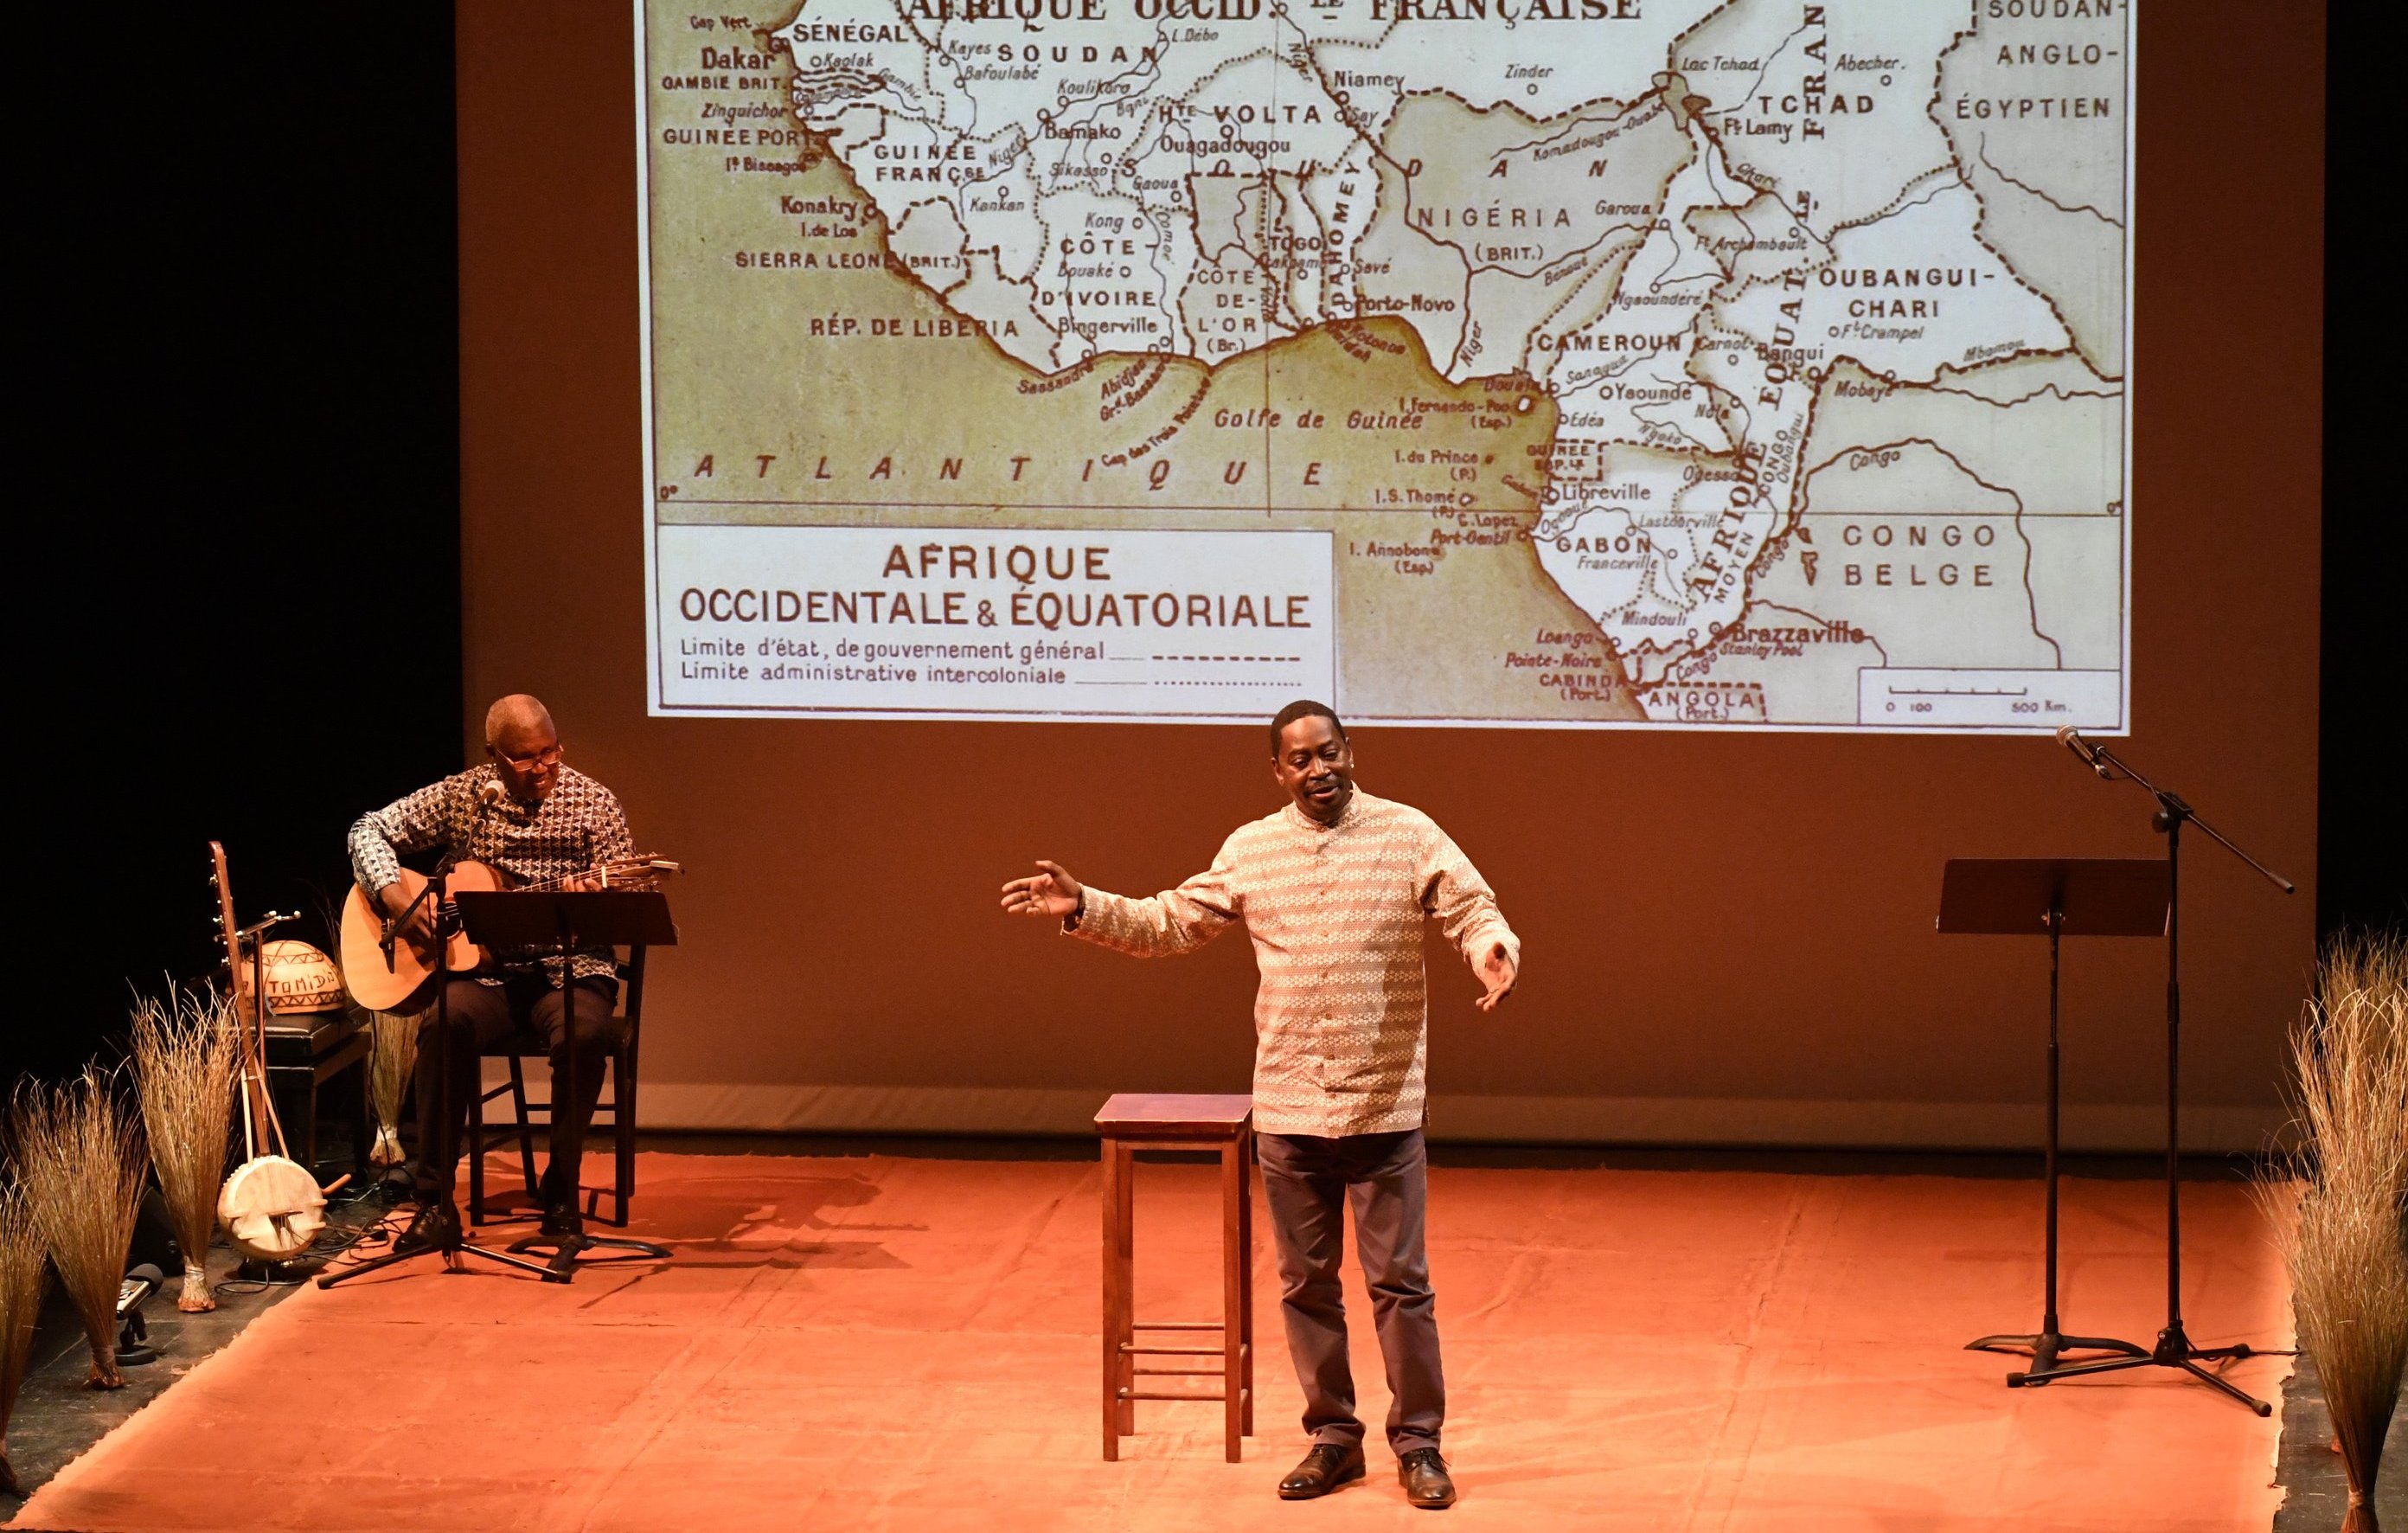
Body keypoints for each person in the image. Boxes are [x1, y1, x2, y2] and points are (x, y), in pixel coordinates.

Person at [1000, 700, 1519, 1511]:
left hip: (1382, 1105)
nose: (1319, 770)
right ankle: (1334, 1438)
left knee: (1400, 1286)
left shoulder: (1407, 832)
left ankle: (1419, 1444)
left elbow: (1470, 906)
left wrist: (1492, 948)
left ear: (1351, 754)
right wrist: (1084, 905)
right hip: (1289, 1108)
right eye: (1301, 760)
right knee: (1306, 1285)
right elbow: (1169, 923)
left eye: (1329, 753)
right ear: (1278, 772)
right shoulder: (1251, 848)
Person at [348, 694, 635, 1252]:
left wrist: (593, 900)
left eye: (550, 752)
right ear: (494, 756)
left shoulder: (595, 804)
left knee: (583, 1035)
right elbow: (367, 830)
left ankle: (560, 1188)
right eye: (524, 758)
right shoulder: (467, 797)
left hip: (569, 970)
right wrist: (396, 900)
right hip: (487, 975)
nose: (542, 768)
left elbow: (624, 897)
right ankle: (434, 1202)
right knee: (442, 1026)